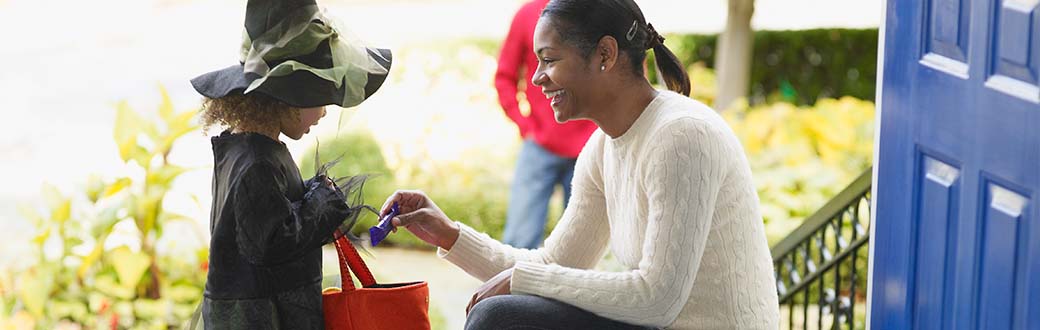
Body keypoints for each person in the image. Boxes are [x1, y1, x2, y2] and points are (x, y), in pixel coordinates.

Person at [380, 0, 779, 328]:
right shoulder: (604, 146)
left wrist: (521, 281)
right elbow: (553, 264)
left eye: (549, 60)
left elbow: (657, 299)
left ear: (605, 54)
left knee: (499, 318)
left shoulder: (683, 136)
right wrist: (449, 234)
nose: (536, 79)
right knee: (501, 315)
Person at [187, 0, 392, 328]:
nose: (324, 113)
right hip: (263, 317)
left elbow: (269, 216)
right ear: (289, 94)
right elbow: (273, 242)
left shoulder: (250, 150)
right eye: (320, 98)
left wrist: (312, 192)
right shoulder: (257, 163)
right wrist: (322, 202)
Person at [495, 0, 598, 249]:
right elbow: (504, 77)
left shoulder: (598, 11)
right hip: (540, 144)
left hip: (591, 145)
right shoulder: (528, 14)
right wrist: (525, 125)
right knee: (519, 241)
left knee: (583, 247)